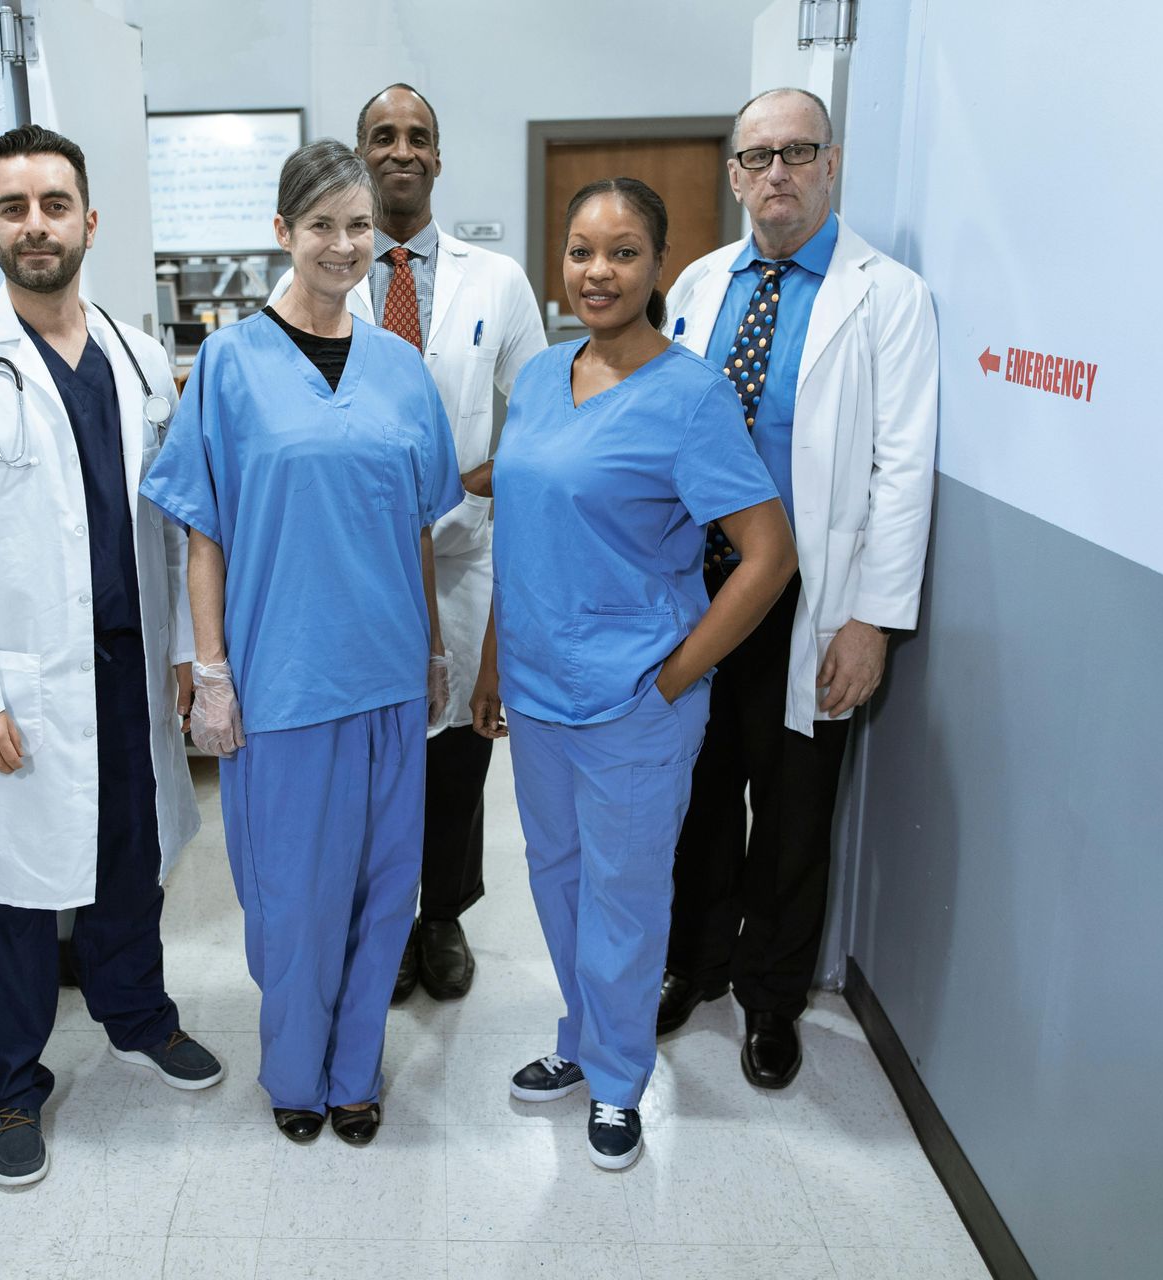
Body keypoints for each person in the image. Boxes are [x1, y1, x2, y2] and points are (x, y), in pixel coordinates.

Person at [0, 124, 223, 1187]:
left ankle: (139, 1014)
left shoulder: (131, 355)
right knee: (17, 896)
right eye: (15, 206)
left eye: (54, 203)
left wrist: (182, 646)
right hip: (20, 682)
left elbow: (169, 524)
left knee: (132, 861)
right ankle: (11, 1084)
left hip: (126, 667)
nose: (37, 224)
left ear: (89, 218)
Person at [470, 178, 797, 1169]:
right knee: (559, 877)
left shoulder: (688, 393)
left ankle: (618, 1079)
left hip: (631, 698)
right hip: (535, 685)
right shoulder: (539, 377)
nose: (596, 272)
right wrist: (493, 654)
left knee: (624, 891)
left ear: (659, 265)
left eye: (620, 253)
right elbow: (517, 521)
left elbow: (768, 552)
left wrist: (674, 674)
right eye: (579, 251)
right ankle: (582, 1036)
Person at [141, 139, 462, 1147]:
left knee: (380, 886)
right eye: (320, 224)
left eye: (358, 225)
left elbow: (417, 526)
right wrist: (212, 675)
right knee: (291, 894)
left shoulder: (403, 370)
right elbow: (205, 531)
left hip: (387, 676)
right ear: (283, 232)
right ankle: (295, 1069)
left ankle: (354, 1067)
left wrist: (438, 650)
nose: (342, 244)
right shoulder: (231, 365)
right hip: (281, 678)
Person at [655, 88, 939, 1090]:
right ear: (734, 173)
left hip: (813, 601)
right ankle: (695, 959)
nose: (776, 173)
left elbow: (902, 467)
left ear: (832, 164)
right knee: (693, 793)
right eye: (757, 156)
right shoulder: (695, 284)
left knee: (791, 808)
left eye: (796, 153)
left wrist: (870, 620)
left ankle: (772, 999)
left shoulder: (886, 295)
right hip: (700, 594)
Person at [269, 84, 547, 1003]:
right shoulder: (305, 279)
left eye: (417, 136)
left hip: (463, 558)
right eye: (381, 136)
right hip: (351, 568)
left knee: (458, 748)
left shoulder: (495, 281)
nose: (401, 149)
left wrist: (478, 478)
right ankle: (382, 919)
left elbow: (544, 415)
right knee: (375, 753)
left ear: (437, 155)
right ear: (357, 154)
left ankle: (442, 917)